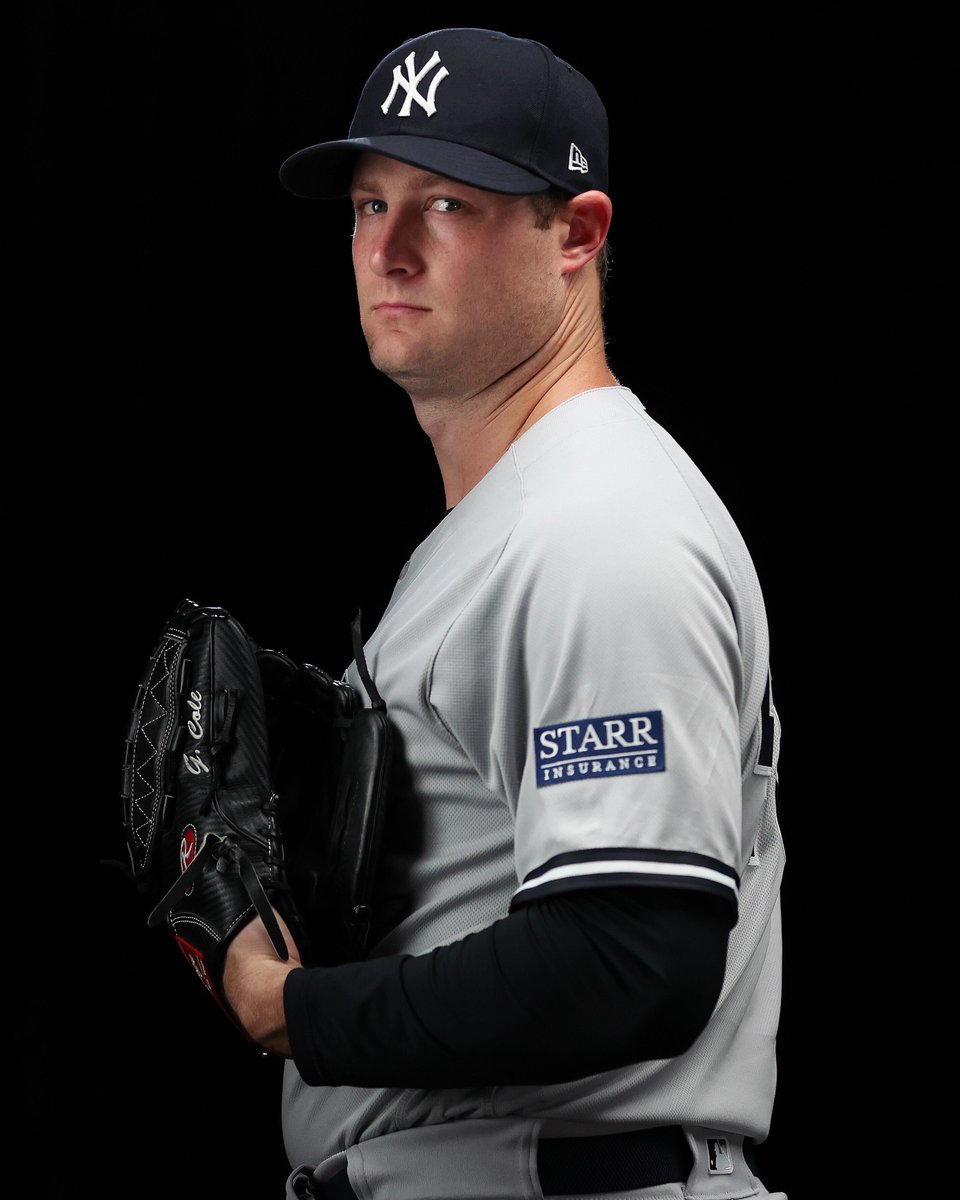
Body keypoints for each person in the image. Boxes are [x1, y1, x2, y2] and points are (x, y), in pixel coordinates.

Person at [221, 27, 787, 1200]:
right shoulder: (509, 521)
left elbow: (629, 960)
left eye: (446, 205)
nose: (392, 249)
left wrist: (295, 1009)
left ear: (575, 234)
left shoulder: (601, 526)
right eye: (371, 207)